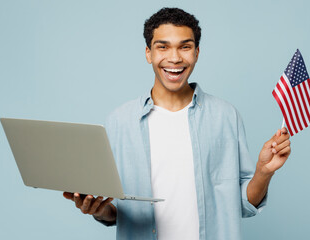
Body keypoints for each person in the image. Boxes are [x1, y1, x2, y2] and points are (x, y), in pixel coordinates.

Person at [63, 7, 291, 240]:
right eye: (163, 46)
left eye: (185, 46)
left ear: (197, 52)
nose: (174, 58)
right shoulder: (118, 122)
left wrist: (263, 173)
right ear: (148, 53)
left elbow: (242, 205)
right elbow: (116, 211)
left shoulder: (226, 116)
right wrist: (100, 210)